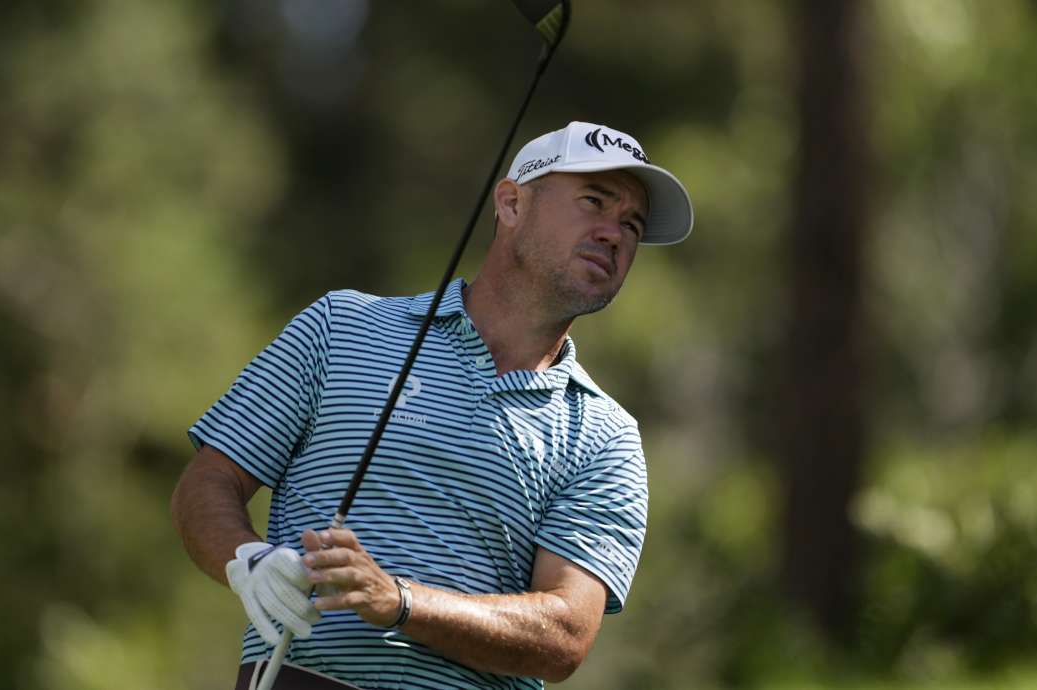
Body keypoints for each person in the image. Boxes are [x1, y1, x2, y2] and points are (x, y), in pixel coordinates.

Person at [170, 121, 694, 689]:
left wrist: (400, 601)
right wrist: (248, 559)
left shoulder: (605, 435)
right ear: (512, 204)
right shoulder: (342, 327)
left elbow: (565, 634)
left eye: (632, 224)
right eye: (594, 201)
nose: (614, 234)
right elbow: (209, 482)